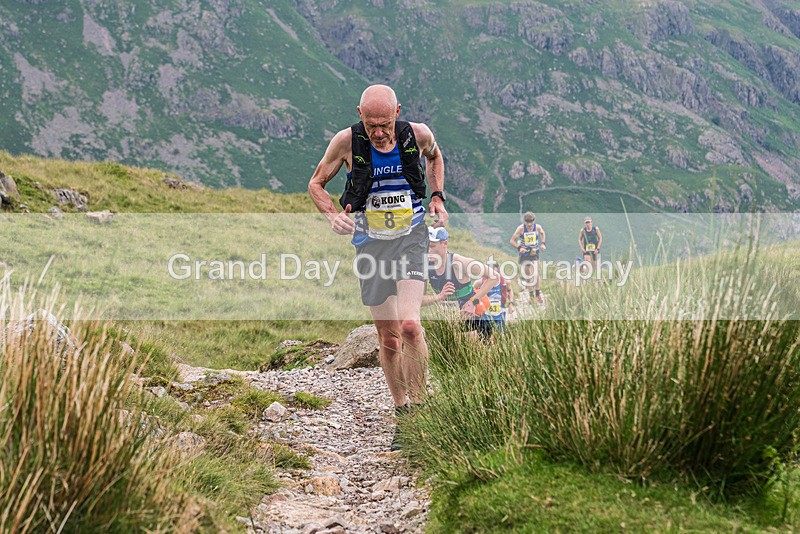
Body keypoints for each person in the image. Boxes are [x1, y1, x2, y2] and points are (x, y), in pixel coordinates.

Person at [307, 84, 447, 451]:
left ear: (397, 112)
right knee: (387, 337)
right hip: (370, 245)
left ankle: (419, 411)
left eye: (385, 123)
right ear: (360, 115)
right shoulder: (346, 142)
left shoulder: (417, 135)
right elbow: (316, 184)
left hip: (412, 238)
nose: (379, 132)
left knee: (411, 326)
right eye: (371, 125)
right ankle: (401, 411)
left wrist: (436, 196)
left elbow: (435, 158)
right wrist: (332, 216)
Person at [422, 226, 500, 339]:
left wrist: (473, 301)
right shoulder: (426, 265)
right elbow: (419, 301)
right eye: (426, 245)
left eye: (432, 246)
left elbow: (494, 276)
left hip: (474, 322)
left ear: (445, 243)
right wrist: (440, 296)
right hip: (449, 324)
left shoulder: (458, 262)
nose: (428, 250)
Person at [509, 212, 546, 305]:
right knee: (528, 276)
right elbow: (512, 240)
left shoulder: (537, 227)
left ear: (534, 221)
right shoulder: (521, 229)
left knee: (536, 273)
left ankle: (537, 294)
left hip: (535, 253)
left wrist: (543, 244)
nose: (529, 225)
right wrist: (519, 247)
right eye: (527, 223)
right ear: (525, 222)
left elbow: (542, 233)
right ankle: (531, 296)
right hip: (525, 254)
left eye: (531, 223)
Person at [472, 262, 514, 332]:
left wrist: (511, 304)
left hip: (500, 313)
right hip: (484, 314)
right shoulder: (479, 282)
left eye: (496, 274)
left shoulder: (505, 282)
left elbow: (510, 290)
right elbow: (473, 293)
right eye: (491, 274)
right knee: (484, 336)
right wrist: (474, 306)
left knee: (500, 335)